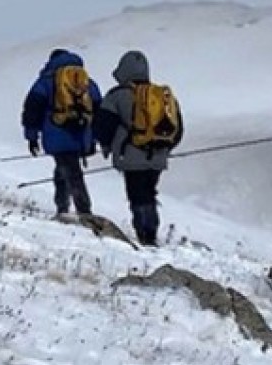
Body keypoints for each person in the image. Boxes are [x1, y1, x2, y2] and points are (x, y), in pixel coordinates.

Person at [92, 50, 182, 246]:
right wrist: (163, 148)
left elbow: (102, 126)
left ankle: (146, 236)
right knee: (149, 193)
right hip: (158, 158)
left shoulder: (117, 96)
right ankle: (150, 232)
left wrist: (108, 146)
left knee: (138, 196)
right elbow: (178, 129)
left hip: (130, 156)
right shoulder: (163, 97)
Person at [21, 49, 101, 217]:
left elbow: (32, 109)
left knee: (71, 171)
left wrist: (32, 137)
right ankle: (63, 207)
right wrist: (94, 138)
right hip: (81, 133)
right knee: (66, 168)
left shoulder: (46, 81)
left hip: (57, 133)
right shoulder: (86, 82)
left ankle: (83, 211)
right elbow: (98, 110)